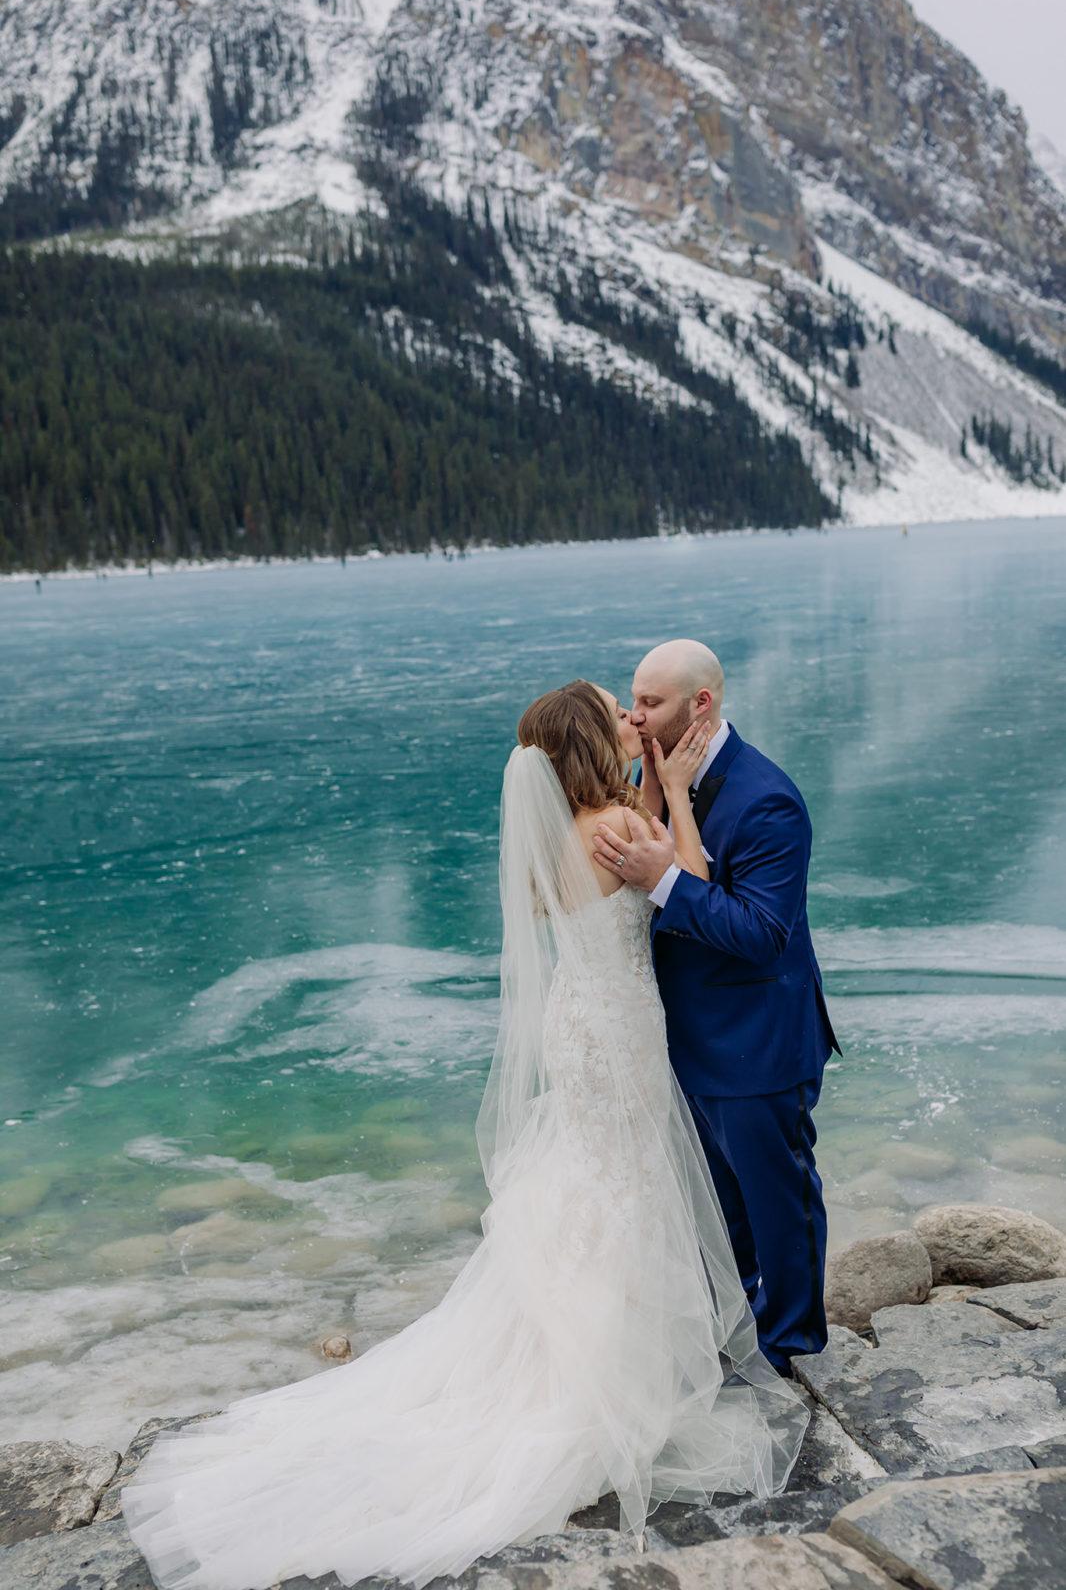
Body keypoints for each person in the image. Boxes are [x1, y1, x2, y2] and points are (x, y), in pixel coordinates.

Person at [122, 680, 807, 1590]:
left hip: (579, 1020)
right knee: (629, 1180)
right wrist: (676, 793)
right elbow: (695, 877)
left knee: (589, 1173)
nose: (631, 720)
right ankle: (605, 1372)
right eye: (617, 714)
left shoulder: (563, 827)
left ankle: (577, 1342)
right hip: (622, 1030)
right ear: (595, 742)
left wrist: (641, 787)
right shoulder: (624, 824)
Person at [593, 641, 839, 1375]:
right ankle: (733, 1343)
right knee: (718, 1214)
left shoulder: (767, 799)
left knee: (778, 1205)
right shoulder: (650, 774)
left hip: (756, 1044)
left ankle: (791, 1350)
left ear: (701, 704)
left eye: (651, 703)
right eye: (633, 701)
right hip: (683, 1043)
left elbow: (764, 937)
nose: (635, 717)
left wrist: (664, 880)